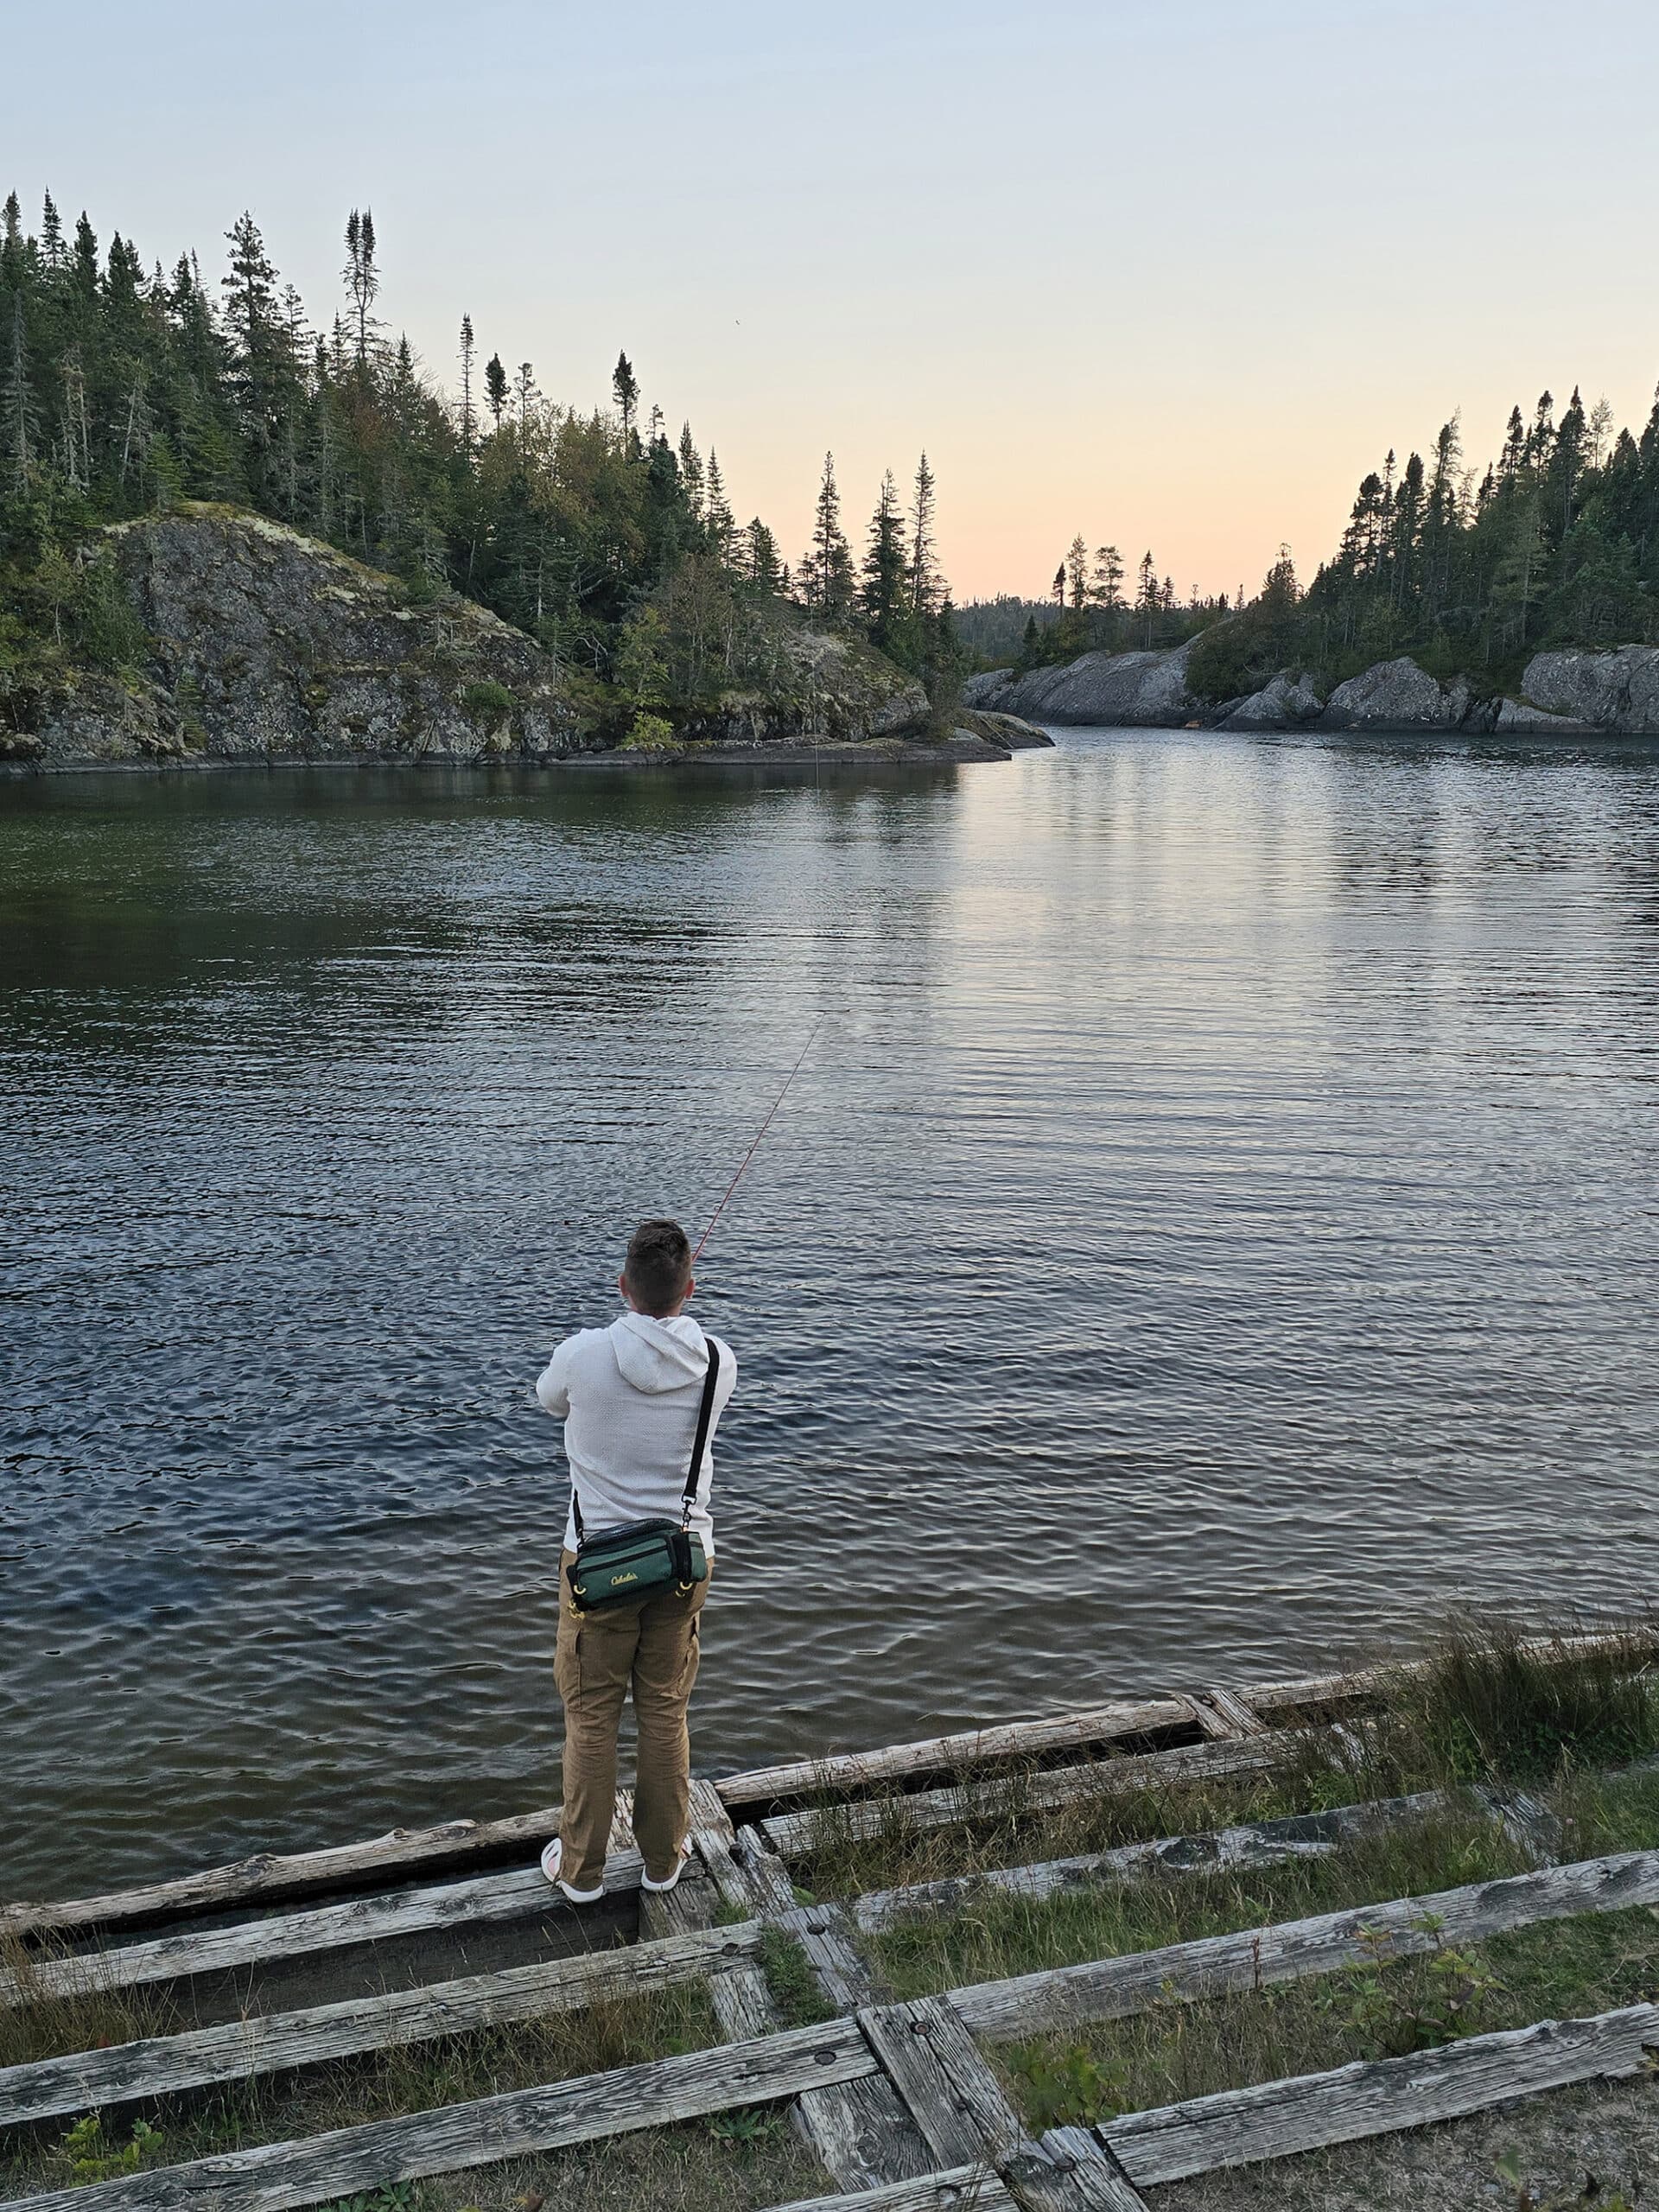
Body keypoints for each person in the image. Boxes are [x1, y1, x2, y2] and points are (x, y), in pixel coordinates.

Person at [534, 1217, 736, 1904]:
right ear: (692, 1287)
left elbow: (547, 1400)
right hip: (682, 1564)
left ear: (622, 1286)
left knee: (591, 1717)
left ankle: (582, 1871)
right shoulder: (718, 1359)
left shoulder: (582, 1353)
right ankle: (661, 1863)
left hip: (596, 1569)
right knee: (665, 1711)